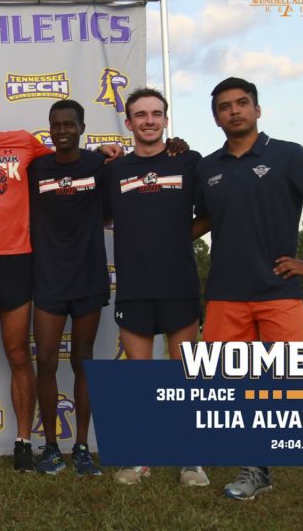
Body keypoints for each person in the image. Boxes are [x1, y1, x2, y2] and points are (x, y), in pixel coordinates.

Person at [0, 76, 121, 472]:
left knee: (20, 355)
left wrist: (105, 151)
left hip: (18, 260)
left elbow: (66, 156)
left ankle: (22, 442)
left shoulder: (25, 144)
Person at [196, 77, 303, 508]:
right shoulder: (207, 167)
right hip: (225, 294)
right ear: (216, 117)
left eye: (242, 103)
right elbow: (201, 222)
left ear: (257, 110)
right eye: (225, 106)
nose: (234, 111)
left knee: (294, 384)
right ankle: (256, 468)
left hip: (278, 290)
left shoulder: (288, 154)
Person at [104, 87, 207, 486]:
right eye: (141, 115)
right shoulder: (114, 170)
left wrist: (177, 237)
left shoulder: (189, 161)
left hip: (178, 281)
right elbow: (103, 216)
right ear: (128, 123)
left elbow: (209, 215)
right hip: (134, 285)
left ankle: (191, 460)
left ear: (165, 119)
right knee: (140, 378)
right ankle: (140, 457)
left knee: (185, 375)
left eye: (156, 114)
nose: (149, 120)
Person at [27, 100, 106, 477]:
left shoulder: (97, 165)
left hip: (89, 276)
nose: (62, 130)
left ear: (82, 127)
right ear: (50, 128)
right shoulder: (36, 168)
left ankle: (82, 448)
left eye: (69, 124)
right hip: (48, 277)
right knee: (45, 360)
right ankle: (52, 447)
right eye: (56, 125)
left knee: (83, 360)